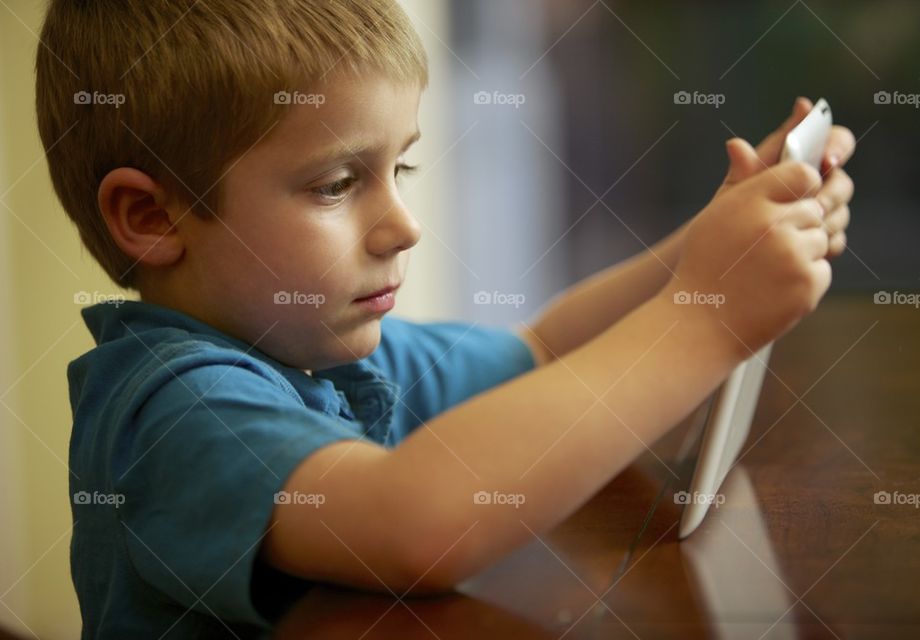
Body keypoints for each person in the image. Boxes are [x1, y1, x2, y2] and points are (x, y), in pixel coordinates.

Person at [35, 0, 855, 636]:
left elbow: (541, 349)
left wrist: (713, 246)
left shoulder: (313, 353)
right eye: (335, 184)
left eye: (401, 166)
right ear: (151, 217)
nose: (405, 225)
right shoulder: (171, 411)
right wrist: (702, 323)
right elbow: (414, 524)